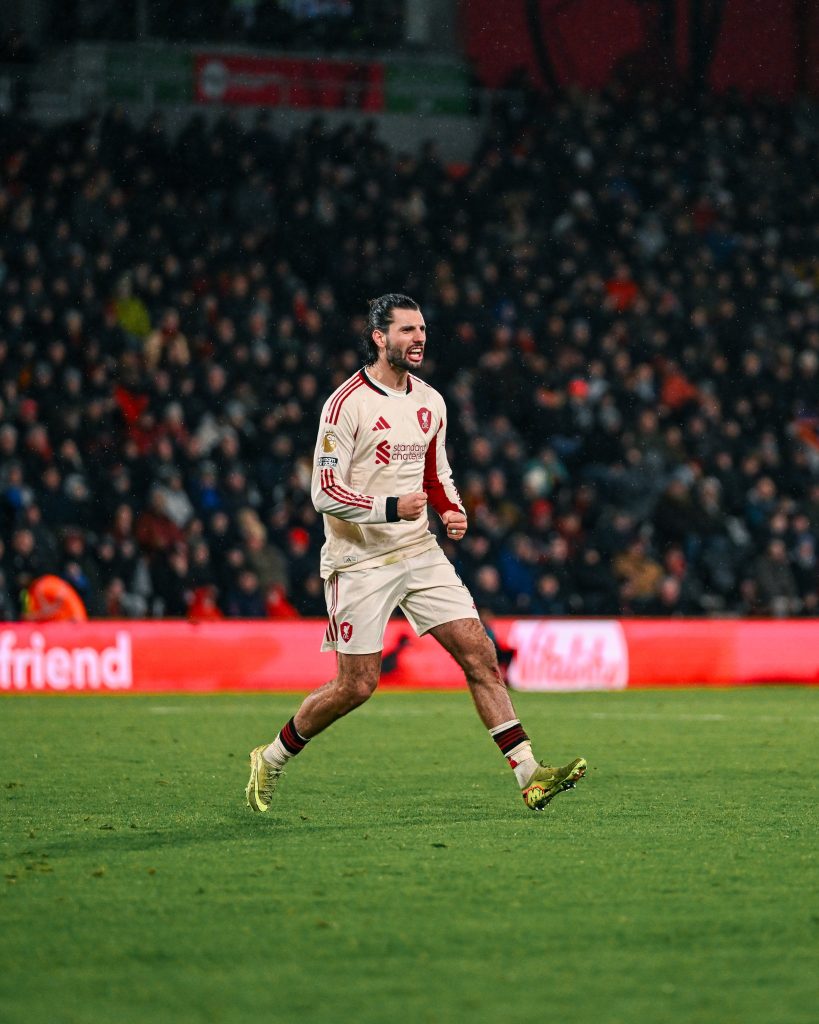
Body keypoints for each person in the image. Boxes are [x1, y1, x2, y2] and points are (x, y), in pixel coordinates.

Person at [246, 294, 586, 813]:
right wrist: (389, 506)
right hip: (358, 561)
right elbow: (323, 491)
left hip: (419, 550)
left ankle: (529, 773)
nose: (419, 338)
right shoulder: (345, 404)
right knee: (355, 686)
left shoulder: (431, 402)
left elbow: (436, 473)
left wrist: (452, 510)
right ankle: (270, 758)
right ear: (380, 338)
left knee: (481, 655)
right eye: (407, 330)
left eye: (422, 329)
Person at [22, 574, 88, 622]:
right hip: (79, 618)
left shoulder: (38, 588)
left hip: (72, 621)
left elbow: (47, 611)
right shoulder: (48, 582)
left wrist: (33, 617)